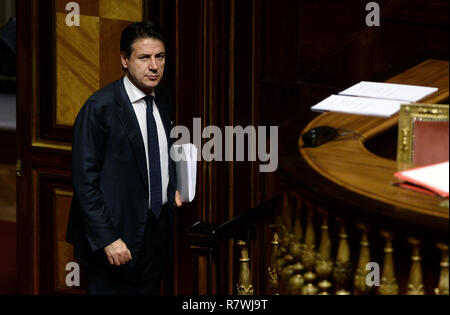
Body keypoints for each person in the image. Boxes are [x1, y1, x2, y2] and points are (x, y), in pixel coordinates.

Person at [66, 21, 182, 295]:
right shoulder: (100, 107)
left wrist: (172, 185)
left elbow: (162, 149)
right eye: (144, 57)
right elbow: (85, 182)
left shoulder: (163, 97)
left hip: (156, 233)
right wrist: (108, 239)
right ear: (124, 60)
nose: (154, 66)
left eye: (160, 56)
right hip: (115, 239)